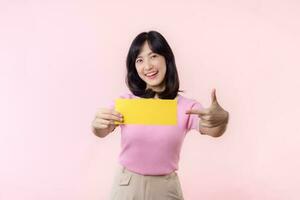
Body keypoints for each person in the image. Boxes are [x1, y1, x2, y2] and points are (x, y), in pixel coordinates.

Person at [91, 30, 229, 200]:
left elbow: (213, 129)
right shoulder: (126, 103)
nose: (147, 66)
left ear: (166, 58)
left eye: (153, 56)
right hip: (126, 185)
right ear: (134, 67)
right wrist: (96, 125)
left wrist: (222, 119)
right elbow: (102, 131)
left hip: (166, 188)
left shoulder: (186, 107)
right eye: (139, 60)